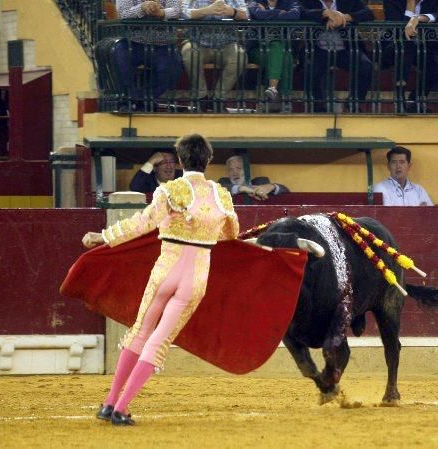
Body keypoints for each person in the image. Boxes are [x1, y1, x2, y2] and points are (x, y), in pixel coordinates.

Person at [82, 134, 239, 426]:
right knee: (159, 341)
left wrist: (103, 237)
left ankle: (110, 404)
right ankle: (121, 408)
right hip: (195, 277)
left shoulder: (170, 191)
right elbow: (230, 233)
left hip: (166, 269)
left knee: (140, 332)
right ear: (209, 160)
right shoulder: (222, 195)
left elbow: (142, 223)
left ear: (179, 160)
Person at [300, 0, 375, 113]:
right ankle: (318, 106)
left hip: (346, 48)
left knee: (366, 66)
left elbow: (368, 14)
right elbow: (301, 12)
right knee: (310, 68)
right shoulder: (310, 2)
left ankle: (353, 102)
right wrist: (325, 13)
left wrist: (344, 17)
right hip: (319, 49)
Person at [113, 0, 183, 112]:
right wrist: (142, 8)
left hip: (163, 44)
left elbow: (177, 10)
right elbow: (123, 13)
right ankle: (130, 98)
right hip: (132, 42)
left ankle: (137, 100)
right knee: (118, 54)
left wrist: (161, 12)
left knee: (173, 67)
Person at [181, 0, 250, 111]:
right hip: (198, 42)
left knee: (239, 56)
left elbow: (246, 15)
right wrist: (207, 11)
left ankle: (218, 99)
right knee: (189, 52)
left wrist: (232, 12)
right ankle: (201, 97)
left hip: (227, 44)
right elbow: (184, 13)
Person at [382, 0, 438, 113]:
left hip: (422, 48)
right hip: (393, 48)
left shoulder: (433, 2)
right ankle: (399, 99)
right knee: (408, 46)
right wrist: (410, 7)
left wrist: (417, 18)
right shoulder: (391, 1)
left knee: (436, 65)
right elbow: (399, 28)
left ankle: (415, 101)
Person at [247, 0, 302, 112]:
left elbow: (295, 15)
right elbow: (258, 14)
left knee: (284, 55)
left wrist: (267, 13)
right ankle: (284, 99)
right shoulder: (254, 2)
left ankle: (272, 92)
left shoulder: (290, 2)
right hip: (258, 49)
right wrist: (280, 13)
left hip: (281, 50)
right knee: (280, 50)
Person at [218, 154, 289, 200]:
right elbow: (219, 189)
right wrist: (243, 189)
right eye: (231, 170)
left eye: (239, 168)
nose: (235, 173)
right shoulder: (223, 182)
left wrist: (271, 187)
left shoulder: (261, 181)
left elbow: (286, 191)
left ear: (247, 170)